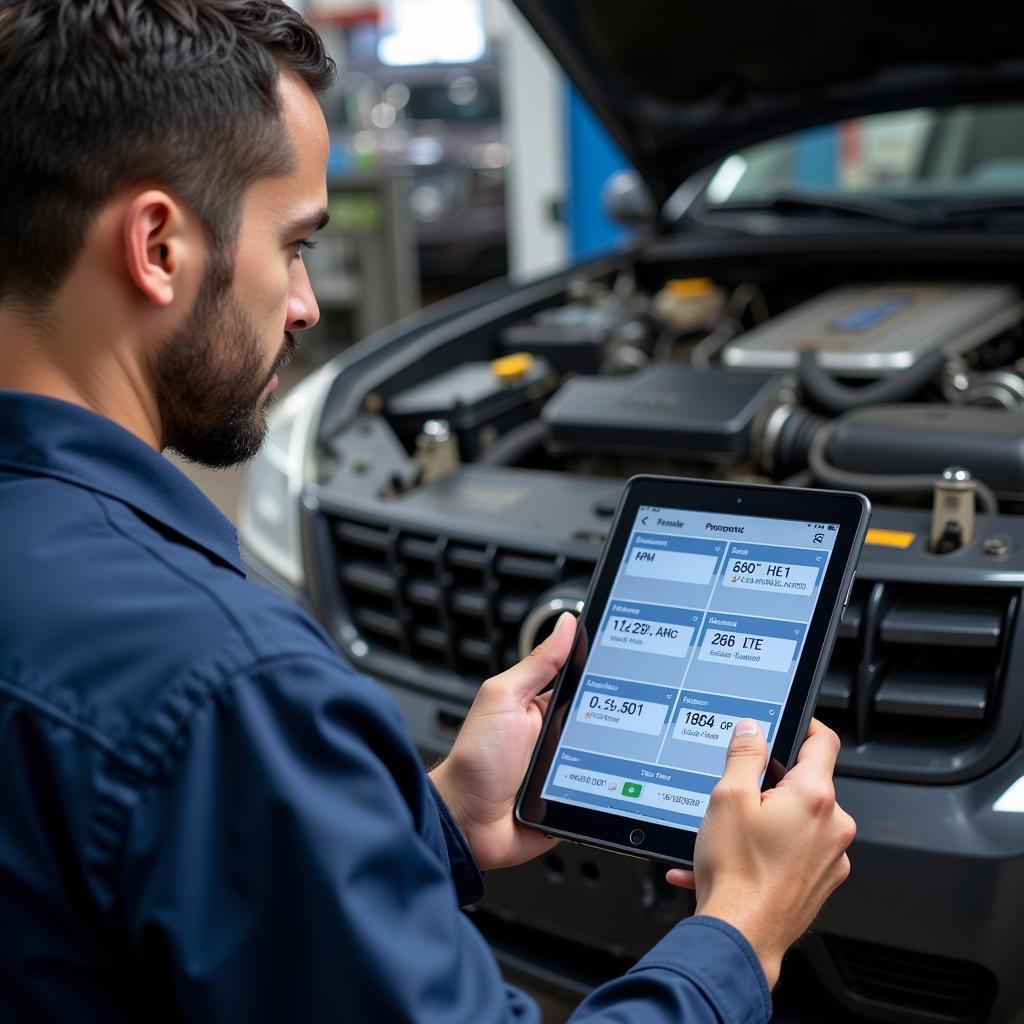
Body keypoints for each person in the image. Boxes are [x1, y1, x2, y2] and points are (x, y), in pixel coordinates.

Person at [0, 2, 856, 1021]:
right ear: (158, 246)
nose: (307, 302)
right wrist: (741, 931)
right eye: (296, 243)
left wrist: (431, 816)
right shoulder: (222, 685)